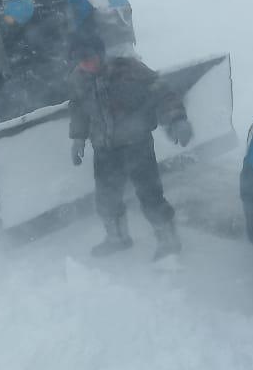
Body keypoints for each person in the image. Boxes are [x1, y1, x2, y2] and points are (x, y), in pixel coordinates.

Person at [68, 31, 193, 259]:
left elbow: (162, 92)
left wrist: (176, 120)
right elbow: (78, 108)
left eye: (89, 57)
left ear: (100, 53)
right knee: (106, 195)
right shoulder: (78, 78)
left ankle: (168, 240)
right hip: (104, 148)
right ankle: (117, 237)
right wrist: (78, 138)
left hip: (137, 144)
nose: (85, 63)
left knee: (149, 193)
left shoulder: (129, 69)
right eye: (80, 59)